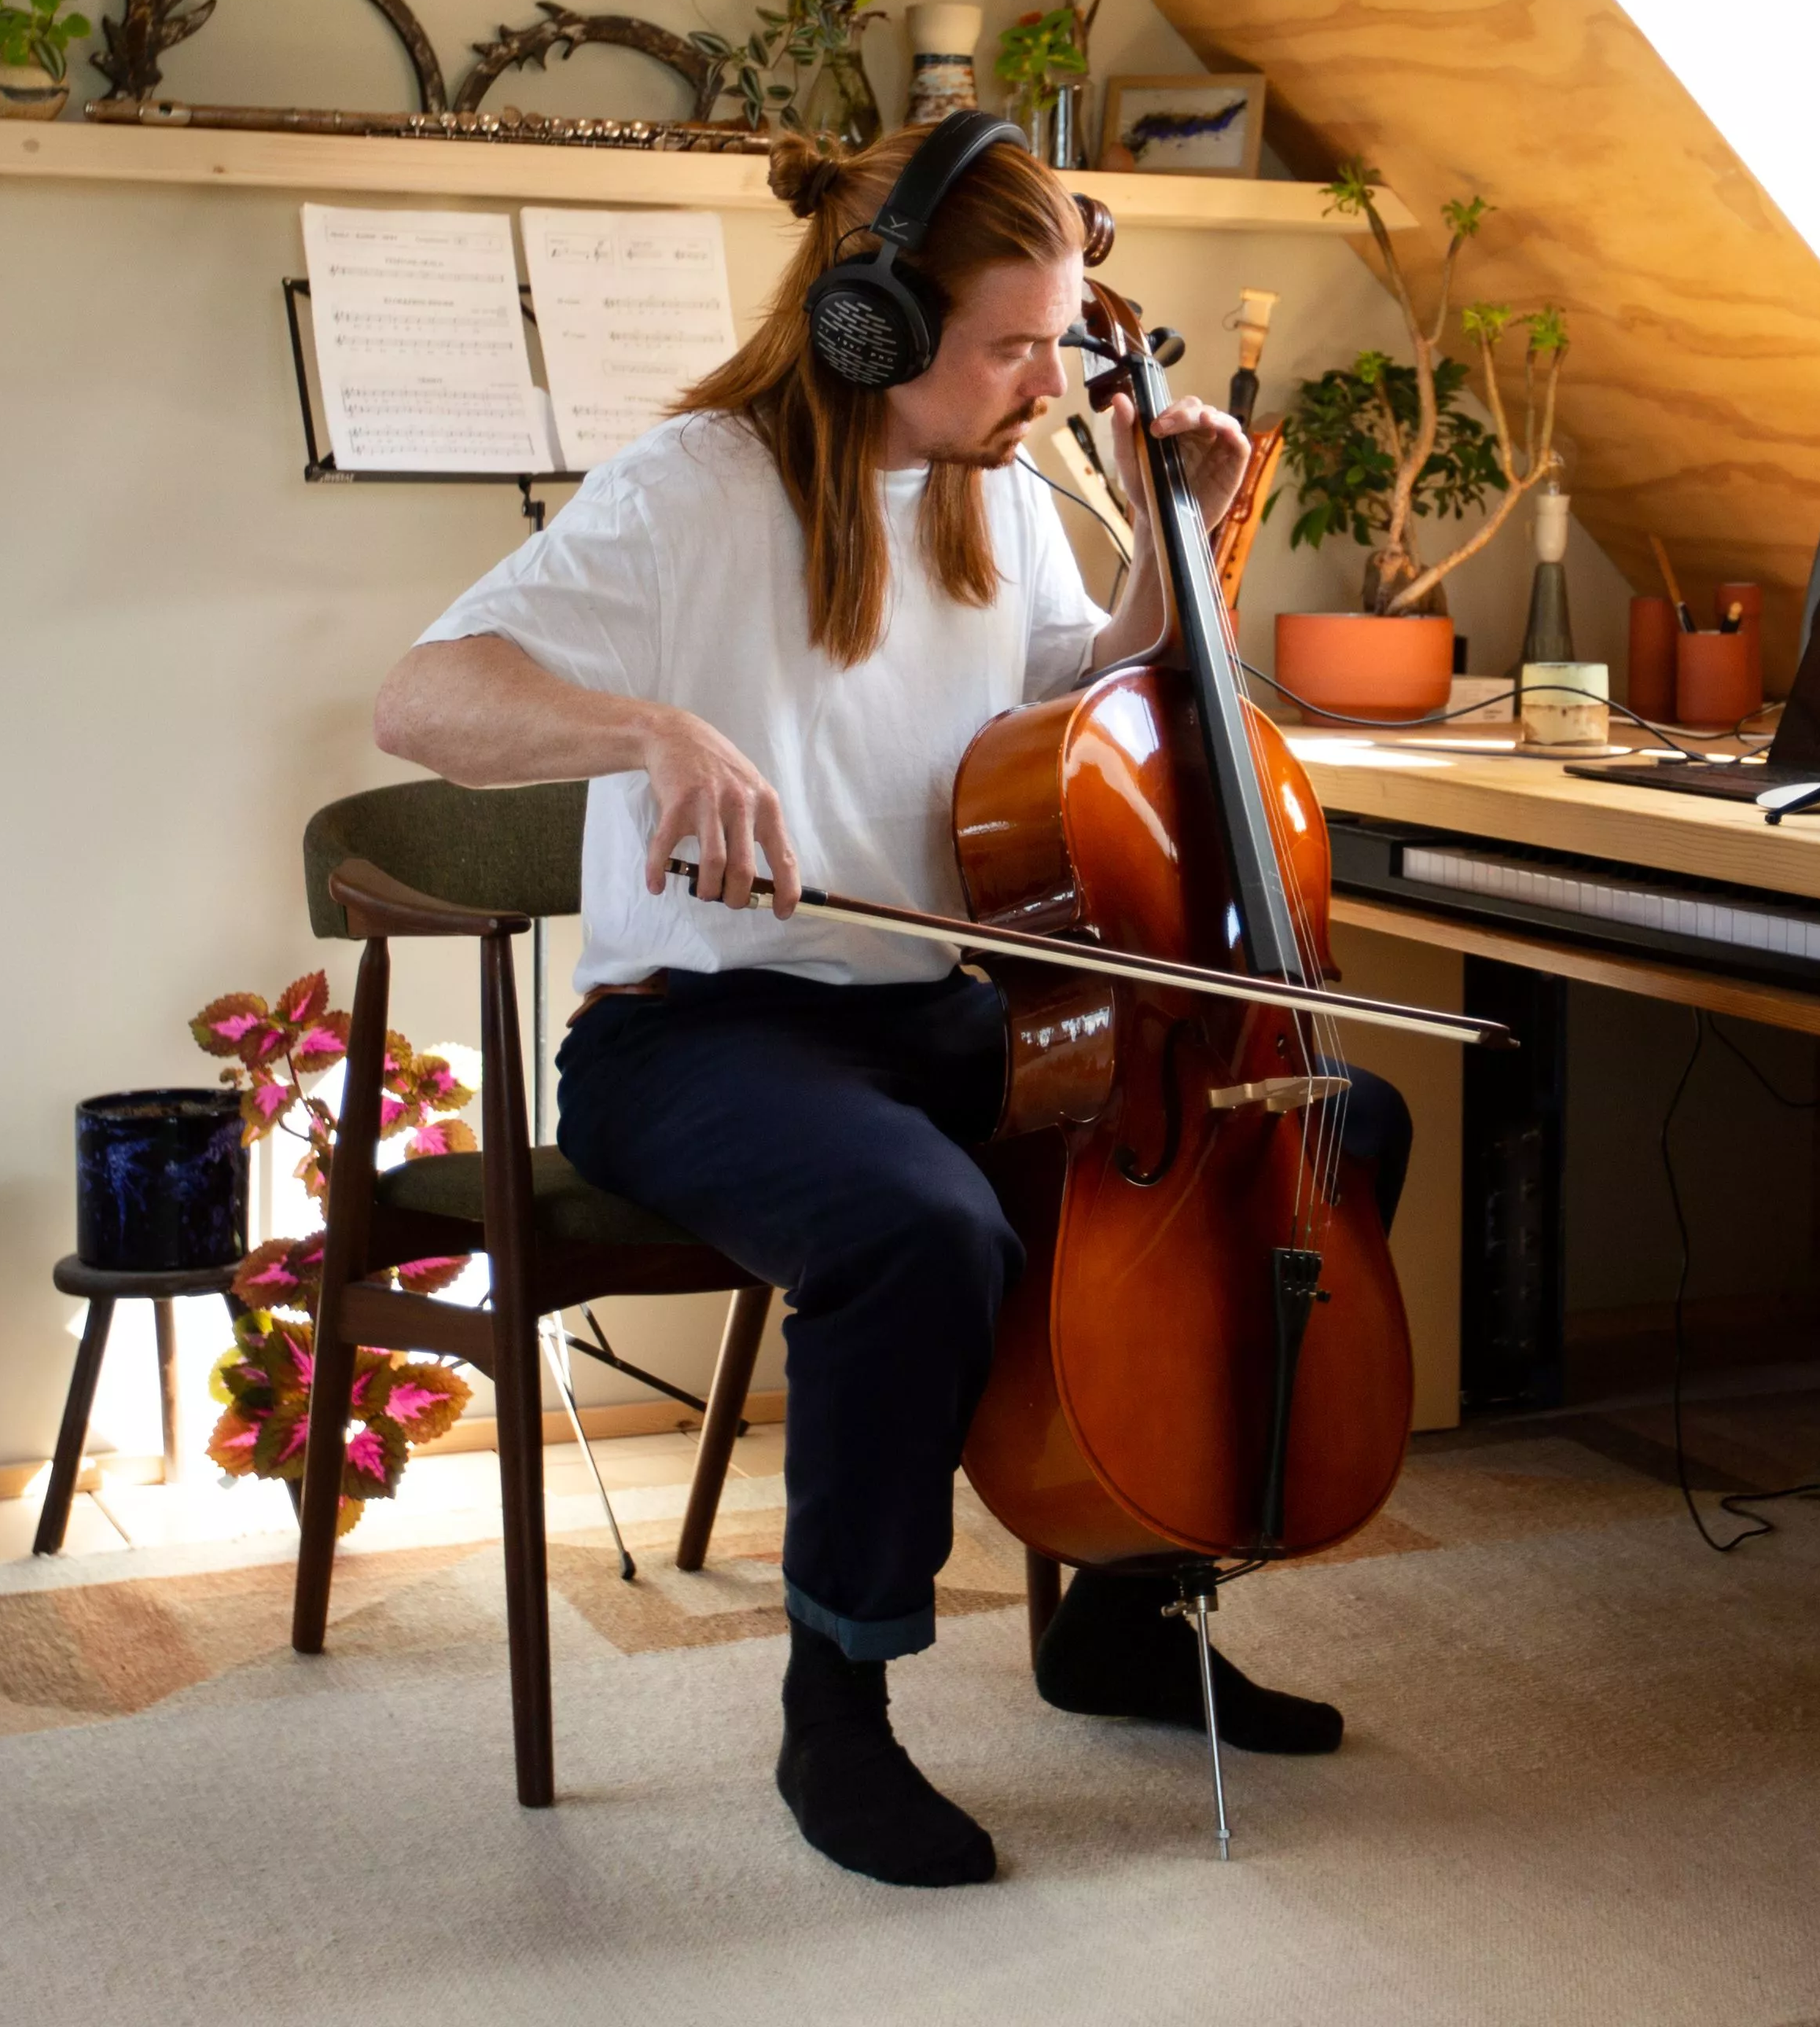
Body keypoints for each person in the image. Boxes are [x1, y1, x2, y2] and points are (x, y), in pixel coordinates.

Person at [373, 117, 1410, 1889]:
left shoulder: (996, 491)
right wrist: (647, 729)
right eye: (1010, 342)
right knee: (918, 1227)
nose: (1043, 380)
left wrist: (1192, 529)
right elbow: (423, 696)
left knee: (1316, 1124)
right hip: (698, 1035)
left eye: (1054, 337)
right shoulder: (693, 484)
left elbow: (1084, 697)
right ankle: (835, 1706)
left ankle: (1126, 1609)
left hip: (936, 1012)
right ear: (869, 321)